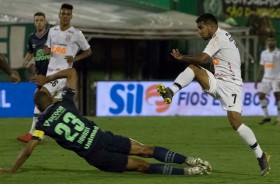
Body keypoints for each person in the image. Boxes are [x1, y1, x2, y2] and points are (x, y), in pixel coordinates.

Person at [0, 68, 211, 175]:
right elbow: (72, 71)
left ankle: (190, 171)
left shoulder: (41, 125)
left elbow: (28, 150)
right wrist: (47, 79)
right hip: (102, 138)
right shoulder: (64, 102)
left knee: (142, 166)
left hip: (96, 154)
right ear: (50, 97)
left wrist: (12, 170)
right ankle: (189, 160)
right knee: (145, 149)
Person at [157, 13, 270, 176]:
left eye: (201, 28)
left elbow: (203, 58)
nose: (199, 31)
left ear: (211, 27)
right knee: (194, 69)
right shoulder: (220, 36)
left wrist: (181, 57)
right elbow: (211, 61)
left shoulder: (219, 37)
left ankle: (261, 155)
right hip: (218, 81)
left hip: (232, 86)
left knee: (236, 123)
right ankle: (171, 91)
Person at [17, 3, 92, 143]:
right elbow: (49, 47)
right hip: (50, 73)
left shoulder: (76, 33)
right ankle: (58, 131)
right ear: (59, 14)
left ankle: (33, 133)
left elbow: (88, 51)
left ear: (71, 16)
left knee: (41, 95)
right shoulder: (53, 31)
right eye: (63, 13)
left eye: (68, 14)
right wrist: (46, 49)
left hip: (63, 74)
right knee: (54, 104)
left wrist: (75, 58)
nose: (65, 16)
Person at [17, 12, 51, 142]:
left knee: (39, 99)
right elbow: (31, 52)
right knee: (48, 103)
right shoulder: (31, 38)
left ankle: (33, 133)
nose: (39, 23)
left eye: (41, 20)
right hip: (40, 75)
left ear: (45, 22)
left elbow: (59, 50)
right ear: (34, 22)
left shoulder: (51, 35)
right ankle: (44, 132)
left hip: (52, 74)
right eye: (36, 20)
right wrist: (26, 61)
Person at [254, 35, 280, 125]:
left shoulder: (279, 53)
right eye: (269, 41)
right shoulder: (264, 53)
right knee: (261, 96)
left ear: (275, 42)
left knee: (277, 95)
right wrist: (256, 79)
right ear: (267, 42)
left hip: (276, 78)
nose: (271, 42)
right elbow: (262, 67)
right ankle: (266, 116)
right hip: (266, 78)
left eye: (272, 40)